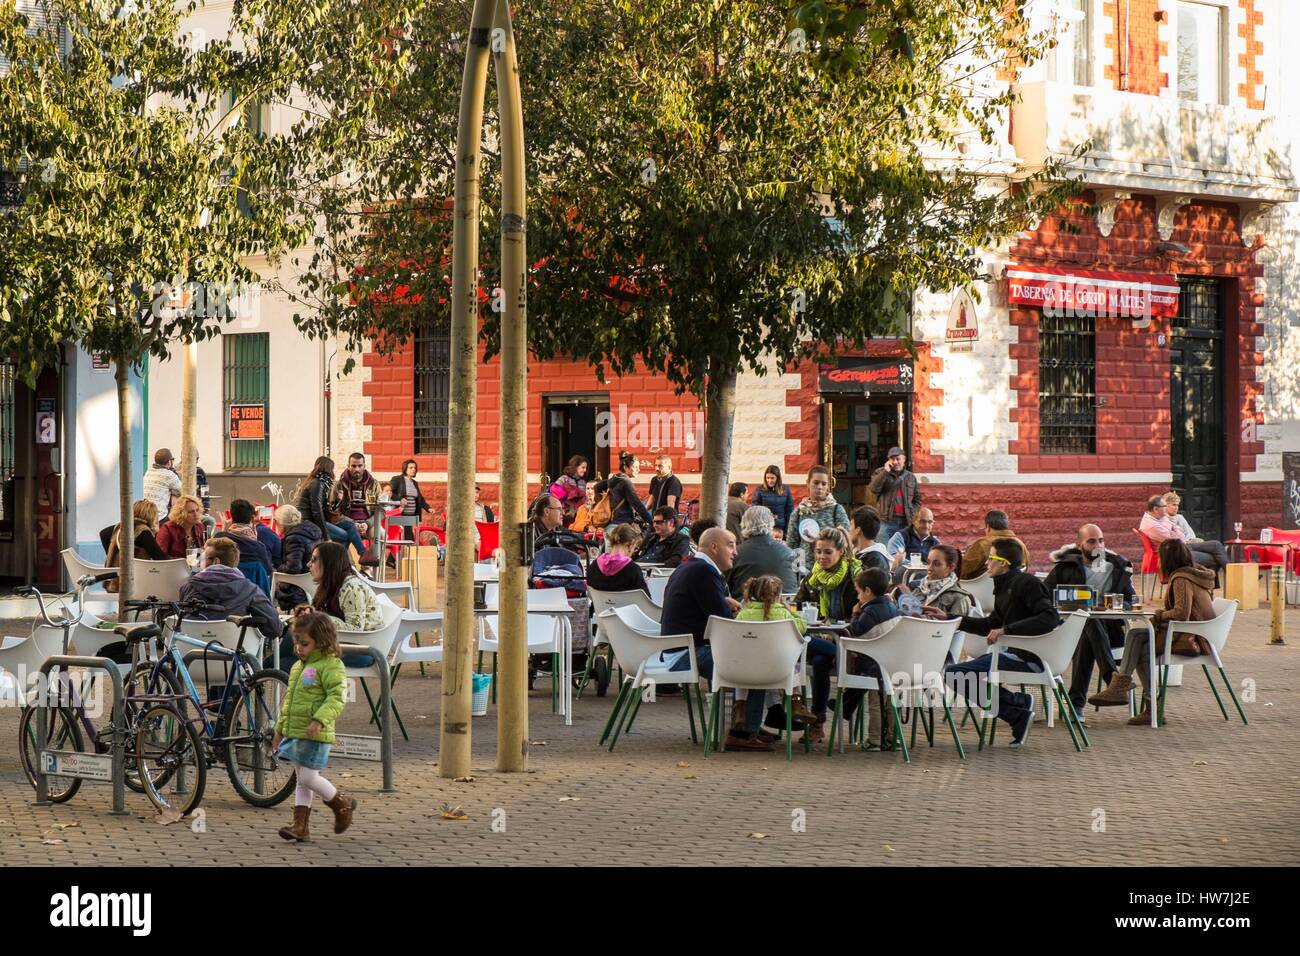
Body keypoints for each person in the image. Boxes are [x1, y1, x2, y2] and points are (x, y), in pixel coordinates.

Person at [659, 527, 770, 750]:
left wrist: (723, 600)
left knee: (750, 659)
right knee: (759, 664)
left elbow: (707, 609)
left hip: (677, 649)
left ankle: (747, 724)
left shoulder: (689, 567)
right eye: (731, 545)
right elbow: (724, 621)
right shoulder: (704, 572)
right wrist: (739, 612)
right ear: (713, 547)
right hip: (689, 653)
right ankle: (744, 732)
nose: (735, 552)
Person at [944, 538, 1058, 747]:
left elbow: (1049, 617)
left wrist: (1007, 630)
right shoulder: (1003, 585)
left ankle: (1017, 711)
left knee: (955, 674)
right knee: (955, 675)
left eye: (990, 558)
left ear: (1003, 562)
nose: (986, 563)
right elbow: (991, 623)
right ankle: (1018, 704)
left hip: (1030, 658)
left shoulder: (1027, 583)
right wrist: (951, 619)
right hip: (1012, 655)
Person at [1089, 539, 1216, 724]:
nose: (1158, 563)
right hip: (1198, 634)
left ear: (1168, 559)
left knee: (1142, 648)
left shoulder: (1181, 579)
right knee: (1135, 635)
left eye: (1160, 558)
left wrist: (1159, 615)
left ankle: (1146, 705)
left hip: (1191, 638)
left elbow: (1181, 613)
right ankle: (1126, 690)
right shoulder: (1195, 574)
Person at [273, 611, 357, 841]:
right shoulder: (299, 667)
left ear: (322, 641)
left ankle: (342, 805)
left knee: (309, 778)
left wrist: (319, 720)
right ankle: (300, 827)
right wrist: (280, 729)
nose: (299, 648)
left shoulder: (331, 665)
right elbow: (289, 701)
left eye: (305, 643)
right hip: (298, 731)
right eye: (297, 643)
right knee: (302, 779)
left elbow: (337, 697)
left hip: (316, 732)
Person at [1044, 524, 1136, 719]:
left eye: (1101, 540)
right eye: (1092, 541)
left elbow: (1131, 600)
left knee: (1089, 621)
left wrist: (1119, 607)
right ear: (1080, 545)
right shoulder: (1066, 568)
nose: (1098, 545)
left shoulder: (1117, 567)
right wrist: (1065, 603)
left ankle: (1076, 704)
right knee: (1086, 618)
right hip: (1068, 632)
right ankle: (1112, 678)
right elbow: (1043, 596)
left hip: (1110, 632)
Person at [735, 574, 829, 744]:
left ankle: (743, 714)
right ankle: (796, 703)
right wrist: (790, 610)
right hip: (781, 671)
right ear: (778, 596)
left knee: (759, 677)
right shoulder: (785, 615)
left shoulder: (744, 614)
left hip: (749, 669)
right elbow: (802, 627)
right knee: (794, 665)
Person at [841, 567, 904, 749]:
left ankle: (875, 739)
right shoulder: (893, 607)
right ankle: (893, 738)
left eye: (859, 592)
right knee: (891, 703)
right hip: (894, 664)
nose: (858, 597)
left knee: (875, 702)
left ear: (867, 591)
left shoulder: (870, 612)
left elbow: (855, 635)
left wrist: (855, 614)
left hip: (874, 665)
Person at [179, 537, 282, 642]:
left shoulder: (188, 587)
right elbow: (274, 628)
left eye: (202, 559)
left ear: (215, 561)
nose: (198, 563)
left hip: (190, 652)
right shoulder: (250, 590)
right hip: (232, 652)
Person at [295, 456, 372, 566]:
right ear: (328, 468)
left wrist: (338, 501)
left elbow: (326, 509)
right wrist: (327, 536)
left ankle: (363, 554)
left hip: (320, 520)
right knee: (345, 535)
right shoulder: (317, 484)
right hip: (310, 523)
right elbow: (317, 511)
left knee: (350, 525)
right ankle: (344, 565)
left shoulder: (323, 483)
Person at [1139, 494, 1228, 572]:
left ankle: (1230, 577)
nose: (1166, 509)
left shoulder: (1159, 517)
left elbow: (1177, 530)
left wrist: (1174, 530)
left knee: (1216, 545)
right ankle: (1229, 580)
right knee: (1216, 558)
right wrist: (1174, 530)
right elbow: (1177, 540)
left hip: (1181, 547)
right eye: (1165, 506)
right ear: (1155, 509)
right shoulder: (1153, 525)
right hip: (1174, 554)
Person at [309, 541, 381, 632]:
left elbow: (355, 630)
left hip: (362, 643)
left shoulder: (351, 588)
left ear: (329, 563)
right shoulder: (331, 583)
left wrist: (318, 618)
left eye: (314, 559)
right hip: (337, 639)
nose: (309, 564)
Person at [794, 527, 862, 623]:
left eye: (828, 552)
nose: (822, 557)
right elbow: (797, 607)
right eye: (818, 552)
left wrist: (835, 626)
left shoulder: (856, 575)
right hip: (818, 633)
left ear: (841, 551)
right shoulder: (812, 578)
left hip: (849, 633)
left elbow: (865, 614)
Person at [729, 505, 798, 598]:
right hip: (784, 606)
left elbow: (726, 587)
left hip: (745, 608)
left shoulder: (735, 553)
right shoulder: (789, 553)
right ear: (771, 524)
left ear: (744, 524)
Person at [789, 465, 849, 571]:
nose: (820, 487)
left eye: (824, 484)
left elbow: (846, 539)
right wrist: (796, 571)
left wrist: (825, 540)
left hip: (831, 570)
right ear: (808, 483)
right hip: (806, 571)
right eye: (816, 483)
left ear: (828, 486)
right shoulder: (799, 512)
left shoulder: (836, 509)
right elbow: (792, 544)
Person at [104, 500, 169, 589]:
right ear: (151, 516)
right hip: (131, 583)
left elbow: (103, 533)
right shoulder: (142, 531)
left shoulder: (121, 526)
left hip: (112, 580)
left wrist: (113, 554)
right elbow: (161, 559)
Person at [867, 446, 921, 544]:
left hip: (905, 522)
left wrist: (912, 512)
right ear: (888, 460)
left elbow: (917, 499)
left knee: (902, 551)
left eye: (898, 459)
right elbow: (873, 489)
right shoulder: (880, 472)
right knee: (884, 551)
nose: (895, 462)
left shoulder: (910, 477)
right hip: (885, 521)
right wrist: (885, 471)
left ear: (904, 459)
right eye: (892, 459)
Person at [906, 544, 974, 621]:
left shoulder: (959, 598)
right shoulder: (920, 588)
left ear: (951, 567)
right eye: (928, 562)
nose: (929, 568)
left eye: (937, 564)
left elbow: (955, 628)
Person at [274, 504, 322, 610]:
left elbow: (293, 568)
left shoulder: (294, 538)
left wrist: (277, 566)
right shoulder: (311, 532)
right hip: (314, 582)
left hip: (298, 588)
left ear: (282, 524)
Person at [960, 510, 1031, 580]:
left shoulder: (983, 544)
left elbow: (964, 569)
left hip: (978, 589)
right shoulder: (1021, 544)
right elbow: (1025, 568)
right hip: (1012, 587)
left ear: (988, 527)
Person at [593, 451, 653, 529]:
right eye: (635, 467)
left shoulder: (614, 478)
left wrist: (602, 504)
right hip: (622, 527)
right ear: (625, 467)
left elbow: (597, 487)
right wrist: (652, 522)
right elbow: (638, 505)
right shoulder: (626, 482)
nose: (638, 470)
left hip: (609, 525)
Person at [214, 498, 275, 575]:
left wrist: (224, 530)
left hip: (223, 584)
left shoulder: (219, 539)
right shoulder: (259, 547)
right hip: (250, 586)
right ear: (252, 519)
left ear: (231, 519)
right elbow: (268, 571)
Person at [586, 523, 650, 594]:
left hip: (600, 605)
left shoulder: (593, 566)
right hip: (625, 605)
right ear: (630, 545)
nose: (633, 552)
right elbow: (646, 600)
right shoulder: (633, 571)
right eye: (635, 548)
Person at [332, 452, 381, 538]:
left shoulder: (374, 484)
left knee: (381, 535)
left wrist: (367, 524)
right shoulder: (340, 484)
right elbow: (333, 510)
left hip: (368, 524)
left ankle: (369, 552)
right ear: (348, 466)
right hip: (347, 523)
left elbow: (381, 510)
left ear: (364, 466)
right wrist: (352, 523)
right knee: (339, 537)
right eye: (353, 466)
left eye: (360, 466)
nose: (357, 469)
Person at [884, 506, 939, 571]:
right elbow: (892, 559)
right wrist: (917, 565)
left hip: (927, 576)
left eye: (930, 522)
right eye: (922, 521)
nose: (926, 526)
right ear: (914, 521)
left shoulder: (935, 542)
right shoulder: (901, 536)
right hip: (905, 576)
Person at [389, 459, 432, 539]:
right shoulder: (397, 479)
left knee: (409, 538)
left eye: (415, 468)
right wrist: (399, 499)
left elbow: (420, 499)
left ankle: (405, 551)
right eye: (411, 468)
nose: (413, 470)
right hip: (399, 514)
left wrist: (428, 508)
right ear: (405, 468)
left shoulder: (414, 483)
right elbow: (389, 492)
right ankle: (395, 551)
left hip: (411, 515)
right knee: (399, 538)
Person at [155, 495, 206, 559]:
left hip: (196, 566)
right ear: (181, 514)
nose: (196, 514)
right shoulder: (167, 529)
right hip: (174, 567)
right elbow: (160, 556)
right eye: (191, 512)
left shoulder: (200, 527)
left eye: (197, 510)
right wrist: (183, 562)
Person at [751, 465, 794, 540]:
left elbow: (789, 510)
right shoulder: (760, 490)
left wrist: (788, 529)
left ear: (777, 478)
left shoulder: (785, 489)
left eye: (772, 478)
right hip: (765, 527)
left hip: (781, 527)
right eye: (767, 478)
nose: (770, 481)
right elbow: (755, 510)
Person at [142, 447, 182, 520]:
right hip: (159, 516)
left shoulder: (148, 471)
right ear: (169, 462)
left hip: (144, 514)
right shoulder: (169, 475)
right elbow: (183, 491)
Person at [849, 507, 891, 575]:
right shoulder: (856, 553)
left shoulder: (875, 560)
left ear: (858, 530)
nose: (849, 529)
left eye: (851, 524)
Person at [551, 456, 588, 522]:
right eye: (583, 467)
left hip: (579, 516)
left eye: (586, 468)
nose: (585, 470)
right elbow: (553, 490)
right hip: (565, 515)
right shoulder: (564, 479)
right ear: (575, 467)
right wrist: (566, 499)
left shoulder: (583, 482)